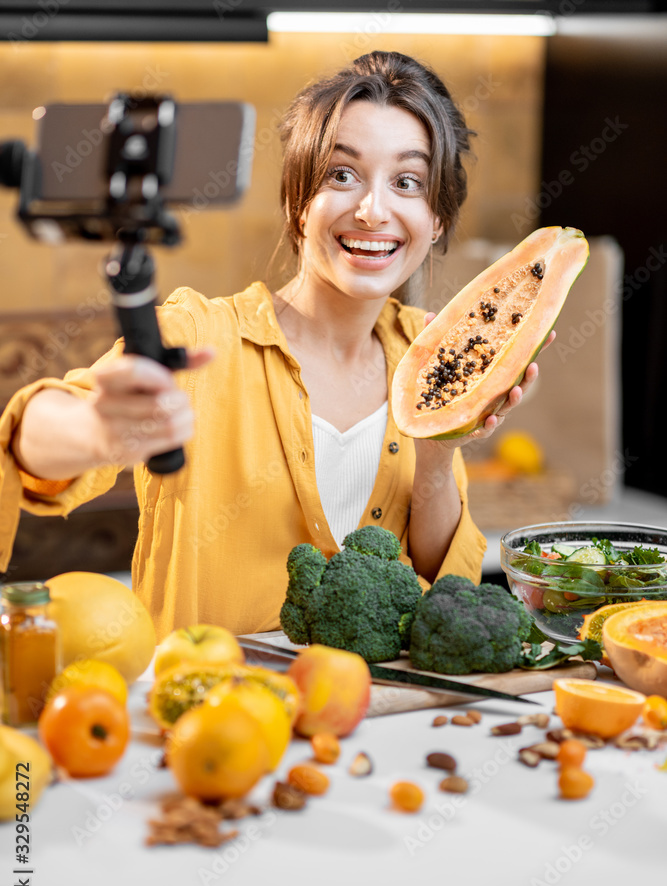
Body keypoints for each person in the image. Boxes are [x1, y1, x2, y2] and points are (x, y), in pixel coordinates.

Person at [0, 51, 549, 642]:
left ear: (436, 218)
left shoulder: (429, 349)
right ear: (297, 201)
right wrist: (94, 431)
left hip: (374, 719)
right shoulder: (199, 336)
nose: (372, 210)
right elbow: (29, 442)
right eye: (342, 175)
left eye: (408, 182)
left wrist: (439, 456)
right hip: (209, 713)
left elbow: (443, 588)